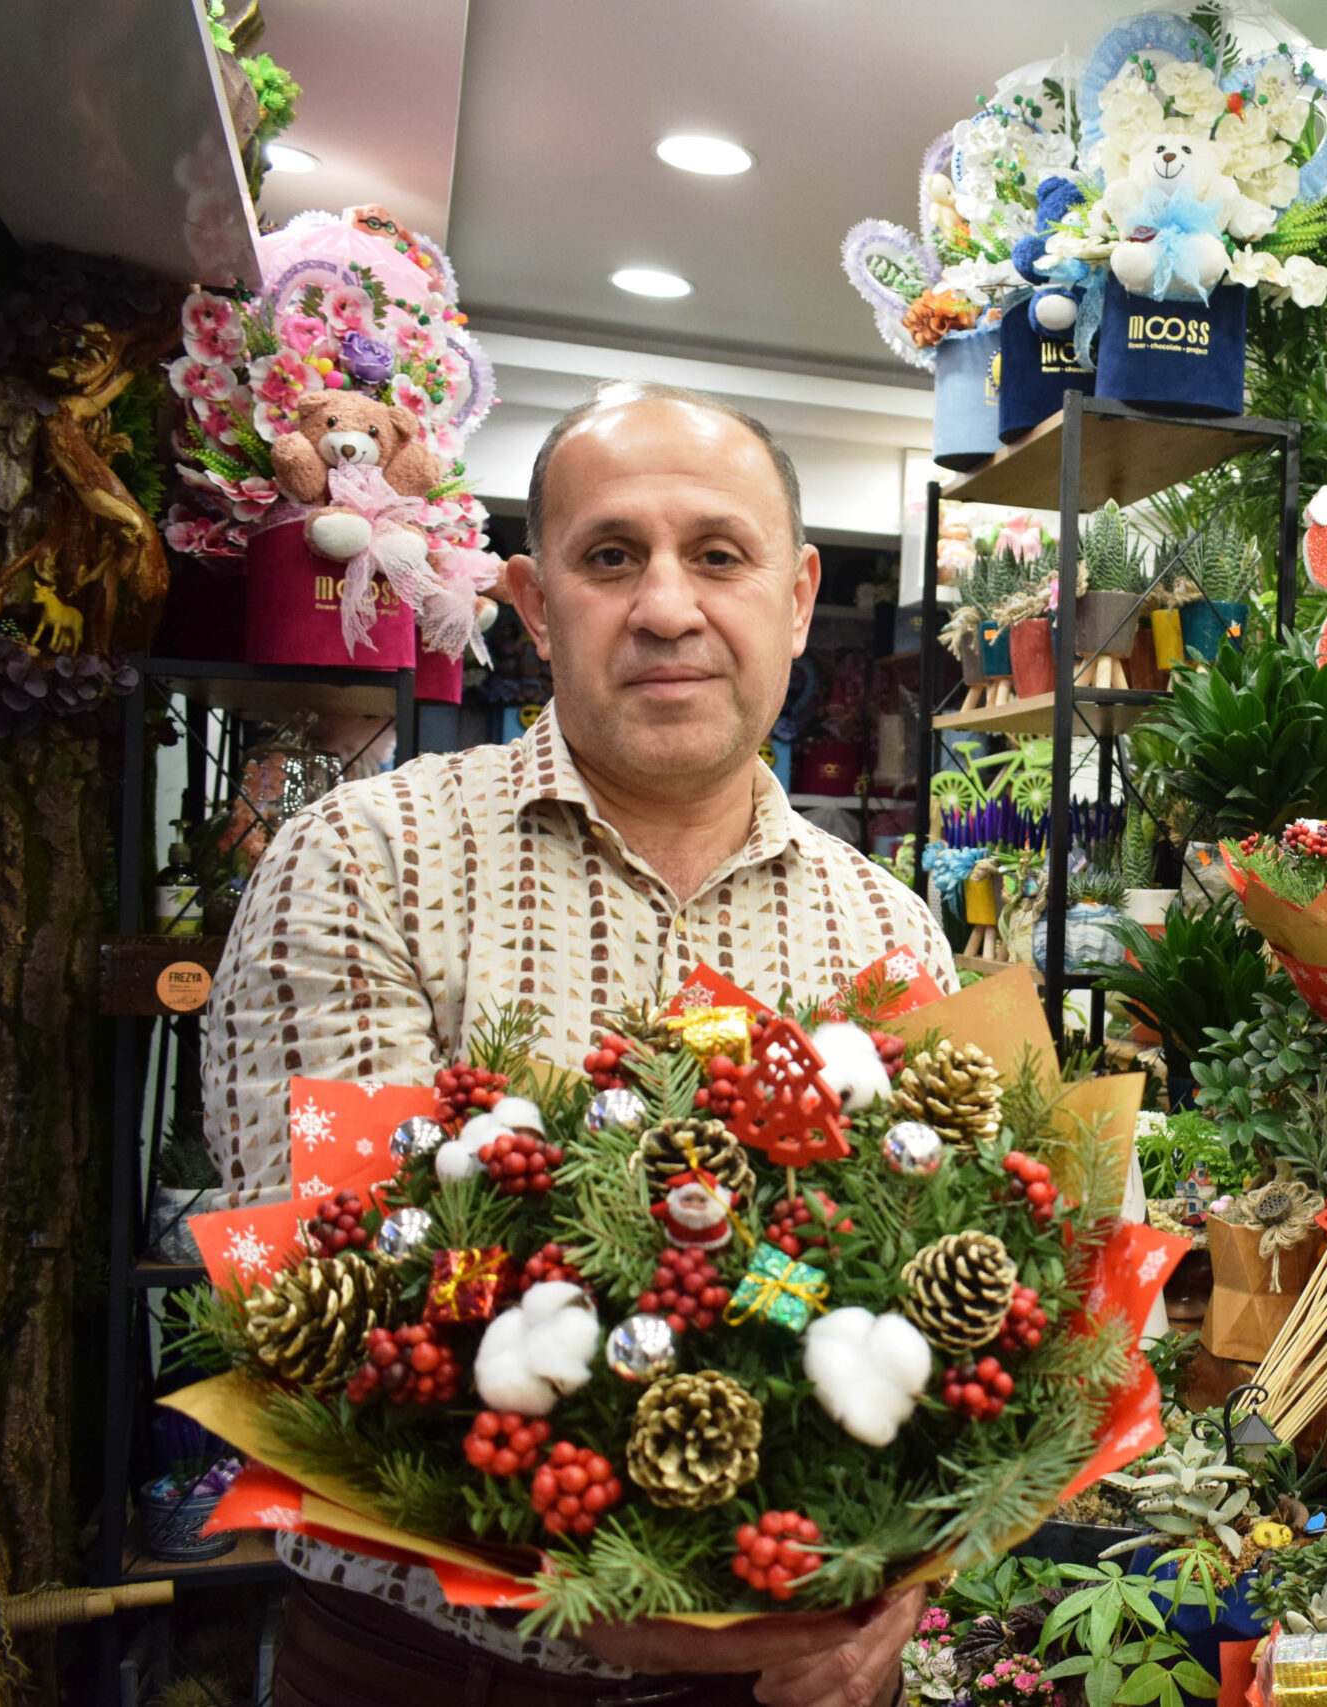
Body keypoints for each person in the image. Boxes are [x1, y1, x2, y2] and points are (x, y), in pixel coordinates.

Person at [204, 382, 950, 1707]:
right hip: (435, 1672)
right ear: (535, 606)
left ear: (796, 596)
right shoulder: (366, 863)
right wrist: (582, 1577)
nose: (667, 606)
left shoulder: (890, 934)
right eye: (613, 558)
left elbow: (954, 1299)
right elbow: (347, 1307)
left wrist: (899, 1587)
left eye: (719, 555)